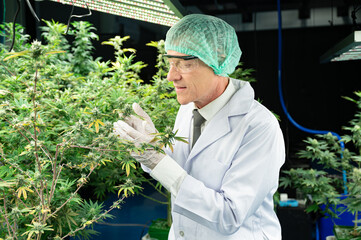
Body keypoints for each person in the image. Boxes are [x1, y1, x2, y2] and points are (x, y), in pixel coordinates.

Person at [113, 14, 285, 240]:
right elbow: (183, 172)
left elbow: (230, 216)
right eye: (171, 63)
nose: (171, 76)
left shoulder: (259, 127)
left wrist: (157, 160)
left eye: (185, 63)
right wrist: (154, 147)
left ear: (219, 60)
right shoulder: (188, 109)